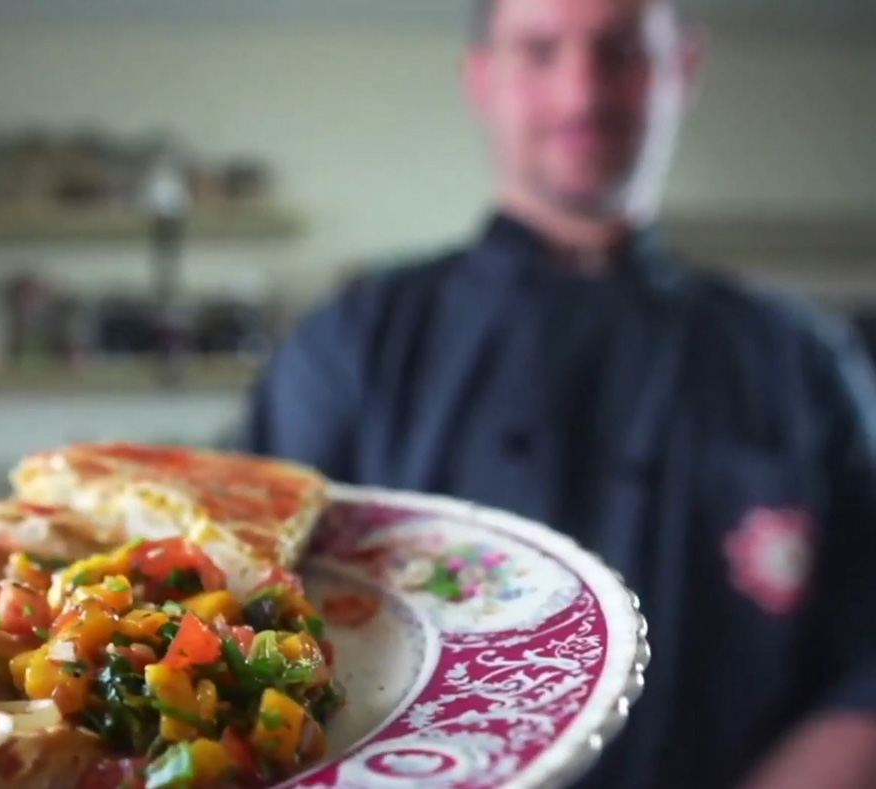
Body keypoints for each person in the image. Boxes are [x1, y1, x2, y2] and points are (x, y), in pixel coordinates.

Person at [237, 0, 876, 787]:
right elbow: (242, 614)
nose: (582, 94)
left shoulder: (804, 360)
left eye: (619, 51)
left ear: (684, 68)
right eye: (541, 50)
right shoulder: (350, 344)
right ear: (482, 77)